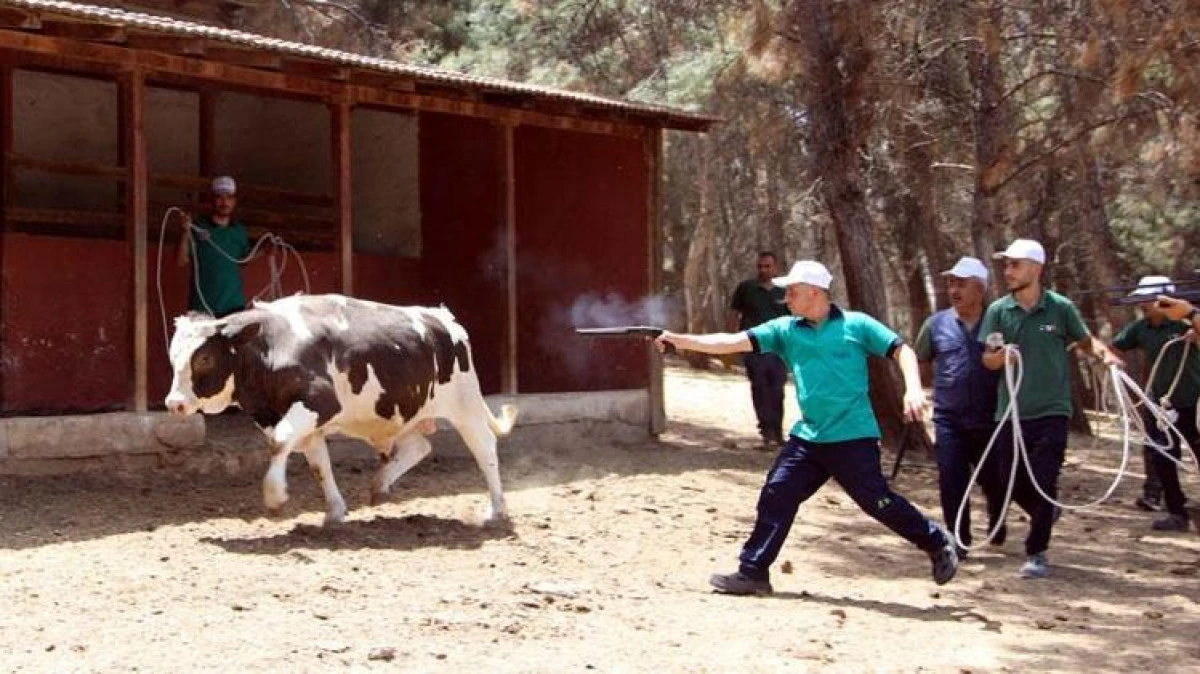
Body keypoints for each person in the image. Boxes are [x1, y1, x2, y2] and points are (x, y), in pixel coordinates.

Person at [657, 260, 959, 595]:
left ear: (814, 292)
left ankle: (935, 541)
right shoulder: (785, 329)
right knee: (777, 492)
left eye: (792, 292)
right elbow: (730, 342)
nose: (786, 298)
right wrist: (679, 340)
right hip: (809, 437)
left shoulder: (856, 325)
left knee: (877, 502)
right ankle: (753, 571)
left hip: (853, 436)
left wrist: (914, 389)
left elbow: (901, 350)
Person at [980, 239, 1124, 579]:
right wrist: (1000, 358)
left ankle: (1036, 550)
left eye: (1015, 264)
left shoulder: (1061, 309)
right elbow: (988, 359)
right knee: (1008, 479)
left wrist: (1107, 358)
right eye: (1007, 265)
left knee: (1045, 478)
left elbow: (1087, 342)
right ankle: (1045, 512)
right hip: (1010, 413)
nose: (1008, 271)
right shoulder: (998, 311)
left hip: (1052, 411)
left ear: (1036, 268)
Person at [914, 256, 1007, 554]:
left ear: (980, 289)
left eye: (961, 284)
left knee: (994, 478)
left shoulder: (999, 323)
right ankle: (958, 539)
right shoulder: (935, 324)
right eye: (951, 283)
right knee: (951, 477)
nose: (954, 290)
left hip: (991, 417)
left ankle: (997, 517)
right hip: (948, 417)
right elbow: (919, 359)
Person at [1110, 276, 1199, 531]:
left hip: (1193, 401)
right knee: (1162, 458)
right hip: (1161, 404)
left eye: (1147, 300)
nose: (1143, 305)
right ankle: (1177, 512)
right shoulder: (1141, 328)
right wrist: (1110, 361)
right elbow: (1114, 347)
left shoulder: (1185, 323)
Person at [728, 252, 790, 446]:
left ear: (776, 267)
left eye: (768, 266)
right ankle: (766, 432)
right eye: (761, 266)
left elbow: (795, 319)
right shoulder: (746, 288)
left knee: (777, 390)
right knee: (760, 388)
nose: (764, 270)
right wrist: (731, 343)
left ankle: (778, 433)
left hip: (779, 349)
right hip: (753, 347)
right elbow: (733, 315)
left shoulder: (785, 291)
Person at [175, 175, 252, 318]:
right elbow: (181, 261)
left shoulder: (239, 231)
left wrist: (264, 251)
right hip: (202, 307)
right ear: (212, 200)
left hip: (233, 306)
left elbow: (243, 261)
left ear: (234, 201)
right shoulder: (197, 227)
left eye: (229, 197)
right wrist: (185, 231)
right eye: (219, 197)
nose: (224, 202)